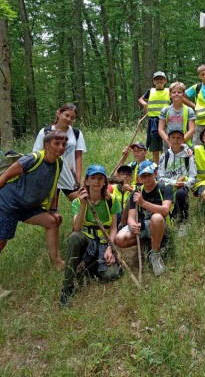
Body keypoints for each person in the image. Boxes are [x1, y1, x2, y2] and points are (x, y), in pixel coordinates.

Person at [0, 130, 68, 298]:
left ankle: (57, 263)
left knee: (52, 222)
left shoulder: (58, 163)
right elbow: (6, 175)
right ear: (47, 145)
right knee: (1, 242)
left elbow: (54, 188)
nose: (60, 147)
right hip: (8, 204)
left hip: (27, 207)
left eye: (63, 144)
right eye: (56, 143)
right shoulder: (33, 159)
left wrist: (53, 209)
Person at [60, 165, 121, 307]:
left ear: (105, 181)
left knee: (112, 275)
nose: (96, 182)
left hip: (104, 242)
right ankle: (68, 286)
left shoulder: (111, 200)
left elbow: (113, 229)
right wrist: (82, 205)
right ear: (86, 181)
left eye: (100, 178)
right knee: (74, 237)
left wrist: (109, 248)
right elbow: (77, 228)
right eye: (93, 178)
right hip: (87, 241)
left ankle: (91, 267)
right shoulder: (77, 201)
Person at [115, 161, 173, 276]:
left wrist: (143, 203)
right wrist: (132, 225)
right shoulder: (136, 192)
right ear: (139, 178)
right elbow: (131, 217)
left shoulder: (165, 187)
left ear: (155, 174)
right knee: (119, 239)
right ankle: (146, 242)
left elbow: (165, 211)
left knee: (156, 217)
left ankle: (155, 253)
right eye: (143, 176)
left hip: (160, 225)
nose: (147, 178)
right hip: (142, 226)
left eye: (149, 175)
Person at [33, 103, 87, 201]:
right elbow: (37, 155)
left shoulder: (76, 133)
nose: (69, 119)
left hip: (69, 175)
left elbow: (78, 157)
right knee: (51, 208)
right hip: (50, 175)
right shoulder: (45, 132)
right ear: (58, 113)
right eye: (66, 115)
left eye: (72, 117)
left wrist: (78, 178)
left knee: (81, 202)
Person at [157, 129, 197, 233]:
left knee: (180, 193)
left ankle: (184, 220)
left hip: (182, 186)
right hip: (168, 186)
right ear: (169, 140)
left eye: (179, 137)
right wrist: (174, 182)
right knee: (159, 188)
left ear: (183, 139)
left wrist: (184, 183)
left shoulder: (189, 156)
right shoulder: (164, 156)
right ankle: (166, 219)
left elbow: (194, 178)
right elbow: (159, 177)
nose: (176, 140)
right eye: (173, 137)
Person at [138, 71, 170, 164]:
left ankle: (165, 169)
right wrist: (144, 104)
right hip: (153, 123)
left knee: (165, 148)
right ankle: (155, 170)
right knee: (155, 149)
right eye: (157, 79)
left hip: (166, 122)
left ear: (165, 81)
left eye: (161, 79)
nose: (159, 80)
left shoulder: (169, 91)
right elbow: (140, 99)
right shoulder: (150, 91)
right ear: (154, 81)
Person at [159, 81, 195, 150]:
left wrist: (181, 142)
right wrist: (169, 142)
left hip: (185, 145)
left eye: (179, 92)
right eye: (174, 92)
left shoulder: (189, 110)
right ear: (170, 95)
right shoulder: (165, 110)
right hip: (168, 146)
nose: (176, 94)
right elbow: (160, 129)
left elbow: (192, 129)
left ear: (184, 95)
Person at [111, 165, 134, 229]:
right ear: (117, 176)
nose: (125, 176)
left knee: (131, 197)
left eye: (128, 174)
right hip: (114, 217)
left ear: (132, 178)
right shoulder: (111, 188)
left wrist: (131, 191)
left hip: (129, 216)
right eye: (122, 174)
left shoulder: (135, 188)